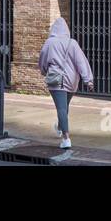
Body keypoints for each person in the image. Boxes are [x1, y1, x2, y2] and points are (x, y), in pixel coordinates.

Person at [38, 17, 94, 150]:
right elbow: (81, 62)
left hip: (56, 80)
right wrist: (88, 80)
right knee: (64, 106)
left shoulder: (49, 43)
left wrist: (44, 71)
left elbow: (43, 60)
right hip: (71, 80)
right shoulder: (72, 43)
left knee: (61, 108)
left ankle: (66, 138)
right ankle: (59, 126)